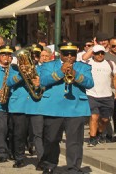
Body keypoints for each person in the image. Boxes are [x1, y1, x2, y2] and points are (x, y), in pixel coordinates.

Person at [38, 42, 94, 174]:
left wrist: (75, 74)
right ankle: (50, 164)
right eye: (66, 54)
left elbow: (90, 83)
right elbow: (43, 81)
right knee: (51, 139)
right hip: (53, 108)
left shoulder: (83, 67)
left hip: (76, 108)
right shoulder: (48, 65)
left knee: (74, 141)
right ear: (60, 54)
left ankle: (73, 168)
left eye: (72, 54)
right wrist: (60, 72)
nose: (69, 56)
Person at [85, 44, 116, 146]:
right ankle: (92, 138)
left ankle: (99, 133)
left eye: (102, 53)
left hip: (107, 95)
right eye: (97, 53)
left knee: (105, 119)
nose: (100, 55)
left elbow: (115, 78)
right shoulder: (88, 63)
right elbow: (81, 60)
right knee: (94, 117)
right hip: (91, 94)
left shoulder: (110, 63)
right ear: (93, 54)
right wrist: (91, 48)